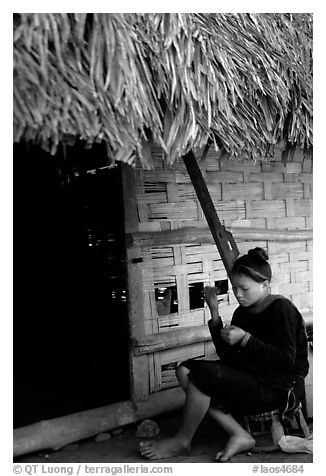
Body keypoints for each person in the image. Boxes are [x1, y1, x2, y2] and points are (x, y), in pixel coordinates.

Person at [139, 247, 309, 461]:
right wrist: (215, 313)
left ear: (265, 285)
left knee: (201, 375)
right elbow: (229, 358)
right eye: (235, 288)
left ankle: (182, 441)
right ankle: (239, 434)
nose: (238, 294)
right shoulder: (242, 313)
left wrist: (246, 339)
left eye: (244, 288)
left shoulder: (281, 310)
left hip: (281, 387)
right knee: (185, 370)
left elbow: (286, 361)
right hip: (254, 377)